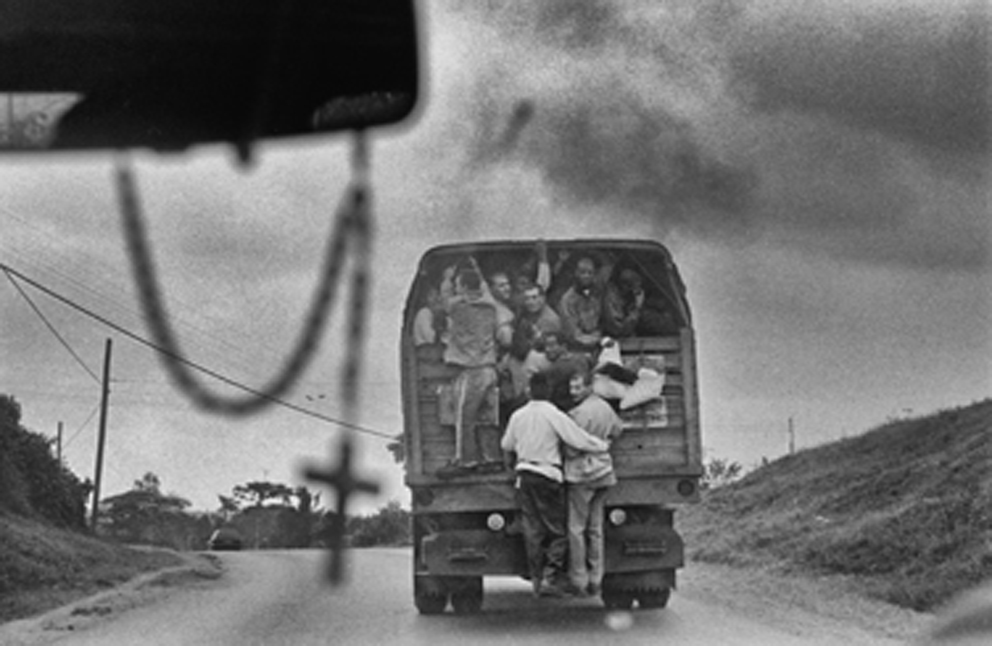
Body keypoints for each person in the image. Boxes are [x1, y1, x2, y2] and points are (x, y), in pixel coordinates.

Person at [500, 372, 609, 598]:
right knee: (558, 530)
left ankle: (537, 581)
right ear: (548, 392)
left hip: (525, 477)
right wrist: (601, 446)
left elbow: (506, 443)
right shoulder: (553, 413)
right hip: (547, 477)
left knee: (532, 531)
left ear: (529, 391)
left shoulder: (517, 415)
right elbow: (577, 438)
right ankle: (551, 577)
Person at [563, 369, 624, 597]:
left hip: (582, 474)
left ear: (589, 386)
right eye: (572, 387)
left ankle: (579, 578)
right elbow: (619, 430)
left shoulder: (576, 414)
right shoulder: (606, 407)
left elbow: (570, 449)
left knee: (576, 528)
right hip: (604, 471)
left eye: (578, 387)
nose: (573, 392)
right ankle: (597, 577)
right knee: (595, 528)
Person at [437, 262, 500, 477]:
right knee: (488, 417)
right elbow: (485, 289)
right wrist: (477, 269)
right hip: (490, 369)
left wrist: (447, 277)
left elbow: (444, 299)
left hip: (472, 370)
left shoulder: (458, 306)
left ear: (462, 286)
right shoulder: (490, 305)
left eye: (458, 285)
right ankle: (492, 459)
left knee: (464, 418)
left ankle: (467, 461)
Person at [557, 255, 605, 352]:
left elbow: (601, 323)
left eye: (590, 273)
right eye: (582, 272)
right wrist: (596, 340)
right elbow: (572, 332)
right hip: (575, 349)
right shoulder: (567, 300)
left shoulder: (597, 295)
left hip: (597, 347)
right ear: (576, 273)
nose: (586, 276)